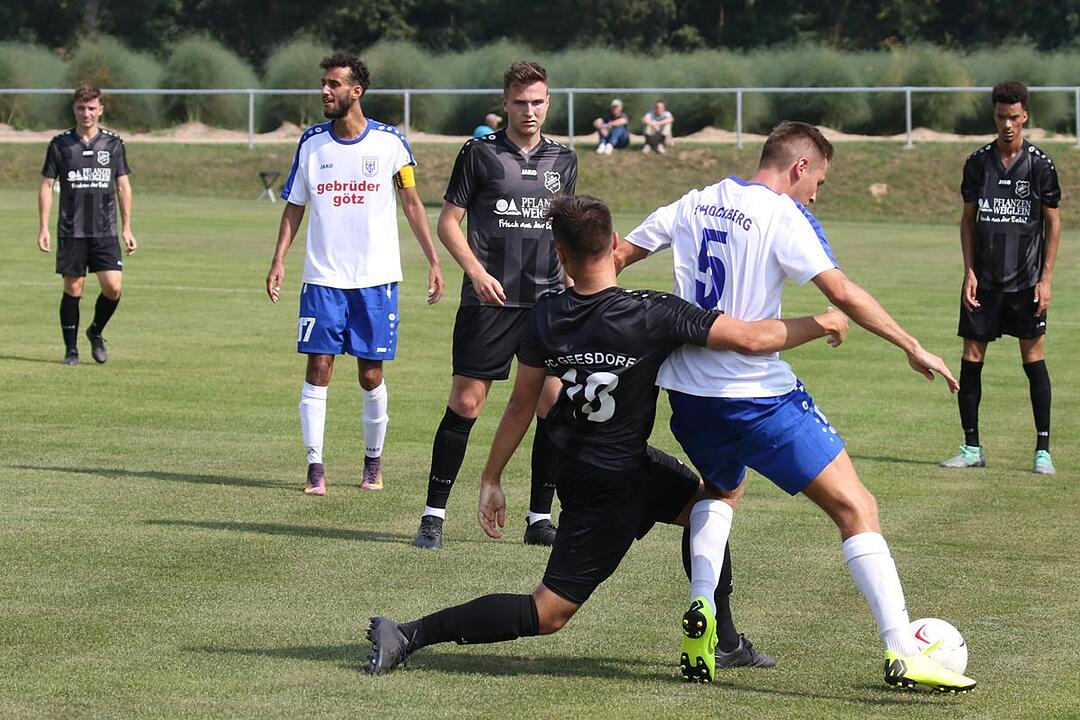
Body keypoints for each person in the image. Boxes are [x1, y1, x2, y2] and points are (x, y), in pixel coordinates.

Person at [367, 194, 848, 676]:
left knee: (710, 504)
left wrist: (491, 477)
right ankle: (408, 633)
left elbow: (520, 405)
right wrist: (822, 321)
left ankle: (724, 639)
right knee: (548, 612)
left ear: (560, 255)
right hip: (607, 488)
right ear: (615, 243)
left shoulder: (547, 314)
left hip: (607, 466)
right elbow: (752, 338)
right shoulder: (653, 312)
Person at [614, 121, 977, 692]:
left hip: (688, 394)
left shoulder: (695, 201)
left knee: (720, 491)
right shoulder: (781, 215)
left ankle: (705, 609)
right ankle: (903, 650)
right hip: (755, 396)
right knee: (857, 508)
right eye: (819, 183)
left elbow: (615, 255)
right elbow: (843, 293)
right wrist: (912, 345)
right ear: (800, 167)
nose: (815, 196)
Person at [413, 60, 577, 550]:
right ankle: (433, 516)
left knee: (549, 405)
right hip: (490, 300)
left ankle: (539, 518)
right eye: (520, 102)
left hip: (547, 302)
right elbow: (448, 222)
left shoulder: (564, 160)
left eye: (537, 102)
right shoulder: (479, 153)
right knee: (467, 403)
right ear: (505, 103)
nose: (529, 111)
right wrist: (476, 273)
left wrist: (576, 293)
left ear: (548, 103)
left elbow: (565, 234)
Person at [266, 52, 444, 496]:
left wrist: (434, 260)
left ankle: (372, 462)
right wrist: (279, 259)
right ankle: (315, 468)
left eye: (334, 84)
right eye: (323, 84)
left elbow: (411, 203)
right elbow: (295, 205)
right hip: (323, 278)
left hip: (375, 279)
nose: (325, 91)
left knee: (370, 374)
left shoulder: (390, 143)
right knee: (318, 367)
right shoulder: (311, 143)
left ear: (356, 91)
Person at [941, 81, 1060, 475]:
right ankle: (971, 448)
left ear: (1025, 116)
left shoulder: (1040, 165)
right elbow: (967, 220)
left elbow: (1053, 223)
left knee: (1034, 359)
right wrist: (969, 272)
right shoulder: (977, 163)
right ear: (993, 117)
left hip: (1026, 283)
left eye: (1013, 117)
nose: (1007, 124)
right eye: (1000, 117)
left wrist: (1046, 279)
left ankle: (1042, 451)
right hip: (984, 282)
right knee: (971, 358)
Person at [37, 83, 136, 365]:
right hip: (72, 229)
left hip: (105, 229)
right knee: (73, 288)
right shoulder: (60, 144)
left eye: (91, 108)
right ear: (74, 109)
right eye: (81, 108)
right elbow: (46, 186)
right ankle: (71, 350)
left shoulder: (113, 143)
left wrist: (127, 227)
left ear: (100, 109)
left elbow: (123, 186)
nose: (86, 113)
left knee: (113, 288)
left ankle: (95, 331)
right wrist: (43, 227)